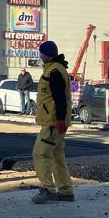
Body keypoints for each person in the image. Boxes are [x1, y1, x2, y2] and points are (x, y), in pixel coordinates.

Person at [31, 40, 74, 204]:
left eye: (42, 53)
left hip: (52, 123)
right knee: (57, 156)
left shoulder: (54, 71)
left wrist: (60, 119)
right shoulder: (55, 69)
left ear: (47, 54)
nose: (40, 56)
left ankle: (48, 189)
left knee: (40, 153)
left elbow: (59, 98)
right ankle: (65, 191)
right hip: (55, 121)